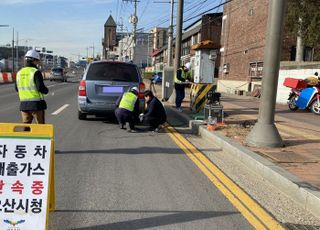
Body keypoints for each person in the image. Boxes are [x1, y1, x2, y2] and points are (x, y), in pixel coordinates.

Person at [15, 50, 49, 127]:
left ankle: (26, 139)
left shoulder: (19, 72)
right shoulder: (35, 72)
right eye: (37, 61)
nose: (38, 63)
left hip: (24, 105)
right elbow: (40, 87)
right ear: (34, 60)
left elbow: (17, 88)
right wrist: (46, 90)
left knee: (26, 128)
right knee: (40, 128)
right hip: (36, 105)